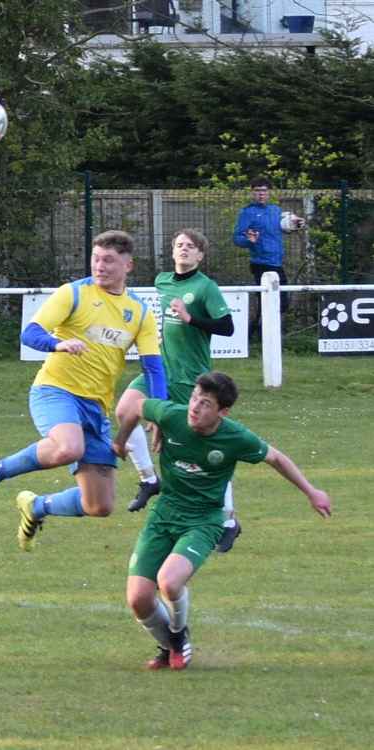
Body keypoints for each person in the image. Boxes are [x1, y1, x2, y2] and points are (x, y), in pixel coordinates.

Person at [114, 371, 332, 671]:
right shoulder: (172, 415)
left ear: (222, 411)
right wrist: (121, 440)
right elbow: (134, 406)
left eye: (205, 403)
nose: (194, 408)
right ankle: (167, 647)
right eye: (193, 399)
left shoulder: (235, 437)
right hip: (164, 514)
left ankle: (178, 636)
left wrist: (311, 491)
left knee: (168, 581)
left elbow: (276, 458)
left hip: (204, 520)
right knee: (138, 598)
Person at [0, 229, 167, 551]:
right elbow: (30, 334)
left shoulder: (141, 312)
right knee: (68, 448)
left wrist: (158, 412)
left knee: (99, 506)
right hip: (55, 390)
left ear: (128, 266)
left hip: (96, 407)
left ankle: (36, 507)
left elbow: (154, 368)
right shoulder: (72, 294)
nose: (100, 266)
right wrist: (57, 344)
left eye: (109, 261)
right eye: (96, 258)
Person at [115, 228, 240, 553]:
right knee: (124, 410)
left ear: (200, 255)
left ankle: (228, 520)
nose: (184, 250)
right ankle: (148, 478)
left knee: (199, 448)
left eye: (190, 247)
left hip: (191, 377)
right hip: (160, 370)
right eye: (179, 245)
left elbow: (227, 327)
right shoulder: (162, 281)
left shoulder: (205, 287)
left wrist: (191, 319)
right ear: (172, 253)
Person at [233, 176, 305, 338]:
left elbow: (288, 226)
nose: (261, 194)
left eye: (264, 191)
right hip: (260, 264)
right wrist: (249, 241)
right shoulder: (247, 212)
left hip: (277, 263)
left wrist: (297, 224)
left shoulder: (275, 211)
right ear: (252, 193)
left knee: (277, 303)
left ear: (269, 193)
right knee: (270, 302)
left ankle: (255, 333)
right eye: (257, 191)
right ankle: (262, 335)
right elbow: (237, 238)